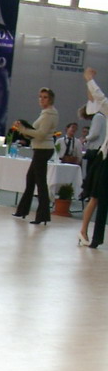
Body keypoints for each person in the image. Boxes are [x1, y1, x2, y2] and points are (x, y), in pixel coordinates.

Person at [11, 87, 59, 225]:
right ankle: (22, 210)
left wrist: (23, 129)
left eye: (45, 97)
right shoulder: (46, 113)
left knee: (40, 182)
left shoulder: (49, 114)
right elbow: (36, 132)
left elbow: (41, 134)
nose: (41, 99)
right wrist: (24, 128)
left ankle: (42, 215)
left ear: (50, 99)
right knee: (31, 179)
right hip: (41, 148)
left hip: (43, 149)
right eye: (40, 97)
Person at [79, 68, 108, 249]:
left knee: (98, 197)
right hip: (105, 159)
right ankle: (85, 232)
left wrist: (89, 80)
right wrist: (89, 80)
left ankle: (89, 234)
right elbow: (98, 98)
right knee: (97, 197)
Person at [78, 103, 107, 199]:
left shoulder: (98, 117)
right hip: (98, 148)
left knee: (91, 172)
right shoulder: (101, 117)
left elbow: (95, 134)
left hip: (95, 149)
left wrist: (85, 139)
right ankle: (89, 193)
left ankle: (88, 192)